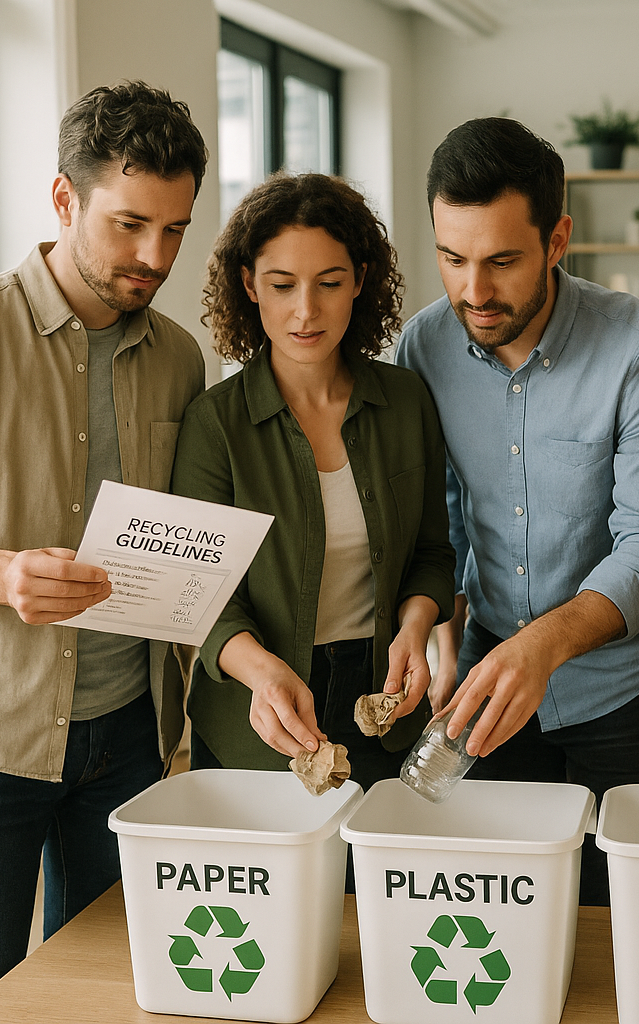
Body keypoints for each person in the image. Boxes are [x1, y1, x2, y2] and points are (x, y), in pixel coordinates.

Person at [0, 81, 208, 1019]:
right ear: (63, 200)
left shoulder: (180, 356)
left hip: (131, 737)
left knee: (120, 988)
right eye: (130, 223)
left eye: (174, 230)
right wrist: (2, 575)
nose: (154, 256)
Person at [396, 118, 639, 905]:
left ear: (558, 238)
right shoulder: (424, 347)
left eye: (501, 261)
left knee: (612, 916)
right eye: (452, 258)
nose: (473, 291)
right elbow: (446, 515)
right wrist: (442, 628)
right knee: (509, 902)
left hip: (624, 690)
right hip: (490, 679)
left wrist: (541, 648)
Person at [170, 172, 455, 790]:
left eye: (329, 283)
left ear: (359, 281)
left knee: (368, 884)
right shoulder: (215, 422)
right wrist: (261, 672)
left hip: (385, 708)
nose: (307, 310)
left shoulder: (406, 402)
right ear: (249, 285)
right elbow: (198, 593)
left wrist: (414, 627)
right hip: (257, 711)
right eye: (282, 285)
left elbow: (433, 553)